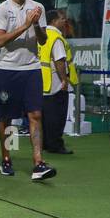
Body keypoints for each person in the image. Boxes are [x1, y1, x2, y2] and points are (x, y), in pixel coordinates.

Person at [0, 0, 57, 181]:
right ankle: (7, 158)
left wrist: (36, 24)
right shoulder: (2, 9)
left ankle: (38, 163)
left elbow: (43, 40)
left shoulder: (37, 8)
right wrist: (25, 25)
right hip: (8, 69)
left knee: (35, 114)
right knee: (7, 118)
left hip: (32, 68)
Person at [39, 11, 75, 155]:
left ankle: (45, 143)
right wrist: (64, 80)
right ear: (54, 21)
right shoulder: (56, 37)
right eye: (61, 18)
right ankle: (56, 145)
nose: (64, 20)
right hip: (55, 82)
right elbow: (59, 60)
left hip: (42, 81)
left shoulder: (41, 35)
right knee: (57, 116)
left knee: (44, 116)